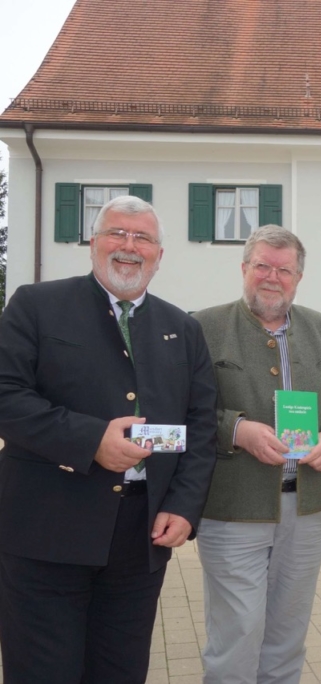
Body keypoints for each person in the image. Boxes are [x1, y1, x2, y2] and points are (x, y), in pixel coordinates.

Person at [0, 195, 218, 683]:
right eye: (117, 233)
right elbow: (6, 396)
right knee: (43, 671)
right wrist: (90, 439)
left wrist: (183, 506)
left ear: (160, 255)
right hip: (46, 529)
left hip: (139, 537)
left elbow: (201, 425)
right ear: (93, 244)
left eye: (143, 237)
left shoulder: (182, 329)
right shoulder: (36, 306)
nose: (129, 246)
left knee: (120, 671)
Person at [192, 225, 321, 684]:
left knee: (288, 632)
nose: (272, 277)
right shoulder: (203, 326)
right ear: (244, 269)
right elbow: (185, 406)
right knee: (238, 630)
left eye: (284, 269)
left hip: (306, 507)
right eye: (262, 266)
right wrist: (238, 430)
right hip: (233, 507)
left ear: (298, 277)